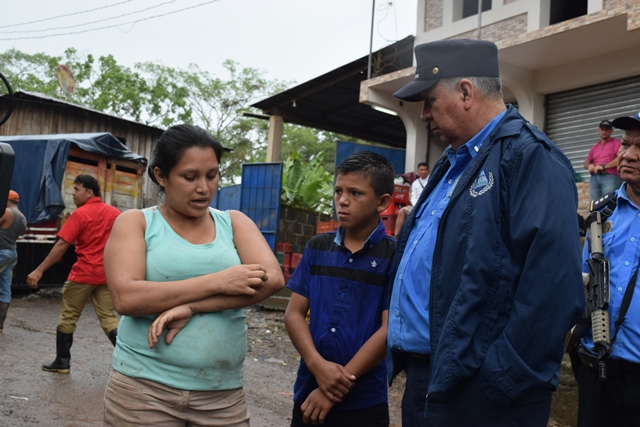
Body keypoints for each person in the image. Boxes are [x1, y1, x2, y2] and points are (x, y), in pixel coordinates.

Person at [388, 38, 584, 426]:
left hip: (482, 393)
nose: (424, 114)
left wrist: (500, 381)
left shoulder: (529, 157)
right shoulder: (452, 163)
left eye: (429, 101)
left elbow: (554, 287)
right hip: (431, 379)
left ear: (465, 92)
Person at [102, 124, 284, 426]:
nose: (204, 188)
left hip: (222, 395)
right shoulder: (137, 223)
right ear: (161, 176)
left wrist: (194, 307)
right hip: (144, 392)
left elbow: (273, 279)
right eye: (190, 177)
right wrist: (219, 281)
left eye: (212, 175)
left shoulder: (234, 223)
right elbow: (126, 298)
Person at [284, 150, 396, 426]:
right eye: (338, 191)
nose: (342, 201)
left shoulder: (394, 255)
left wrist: (332, 388)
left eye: (355, 193)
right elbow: (293, 314)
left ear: (382, 202)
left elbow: (388, 330)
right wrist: (317, 366)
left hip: (365, 401)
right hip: (309, 393)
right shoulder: (318, 247)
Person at [575, 110, 640, 427]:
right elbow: (583, 281)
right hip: (596, 374)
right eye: (626, 144)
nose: (628, 155)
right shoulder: (602, 213)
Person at [27, 175, 121, 373]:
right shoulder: (115, 213)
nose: (73, 193)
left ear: (89, 192)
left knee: (68, 317)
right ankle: (129, 358)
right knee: (108, 317)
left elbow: (62, 245)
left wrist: (39, 270)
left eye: (77, 189)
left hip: (83, 274)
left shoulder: (80, 214)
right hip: (106, 275)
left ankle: (62, 362)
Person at [0, 190, 27, 333]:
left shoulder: (6, 212)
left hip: (1, 252)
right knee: (5, 288)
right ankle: (0, 325)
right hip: (12, 253)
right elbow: (22, 233)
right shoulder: (22, 217)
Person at [584, 119, 622, 201]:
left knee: (609, 203)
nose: (604, 132)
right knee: (593, 204)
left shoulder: (616, 143)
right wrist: (589, 166)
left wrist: (604, 166)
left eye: (607, 130)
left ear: (611, 131)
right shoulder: (595, 147)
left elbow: (621, 158)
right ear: (599, 130)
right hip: (594, 178)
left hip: (610, 177)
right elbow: (586, 163)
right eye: (602, 129)